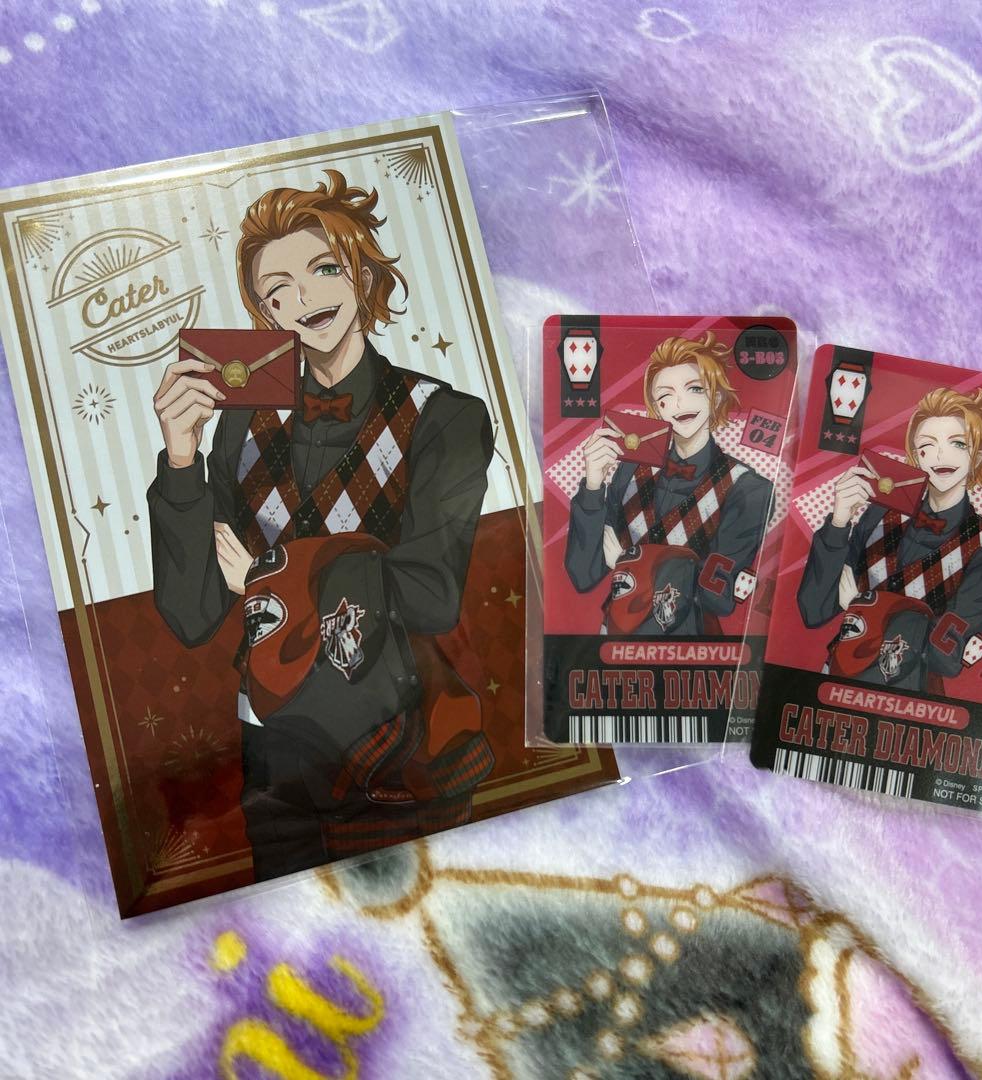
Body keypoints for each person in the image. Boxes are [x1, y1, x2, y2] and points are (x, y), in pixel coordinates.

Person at [147, 170, 495, 880]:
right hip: (273, 748)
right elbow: (193, 614)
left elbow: (429, 592)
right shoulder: (238, 427)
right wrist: (181, 460)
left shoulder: (445, 418)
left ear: (362, 274)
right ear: (264, 313)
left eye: (323, 269)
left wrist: (267, 577)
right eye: (278, 290)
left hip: (399, 737)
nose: (303, 299)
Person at [798, 387, 982, 691]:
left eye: (958, 443)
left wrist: (861, 605)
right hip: (836, 680)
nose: (941, 455)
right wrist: (838, 523)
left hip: (911, 699)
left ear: (978, 454)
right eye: (927, 445)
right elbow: (814, 610)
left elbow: (942, 654)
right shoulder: (879, 514)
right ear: (915, 456)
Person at [564, 331, 772, 636]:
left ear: (715, 397)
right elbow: (583, 575)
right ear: (657, 408)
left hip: (692, 643)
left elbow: (716, 594)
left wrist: (626, 561)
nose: (679, 403)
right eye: (665, 396)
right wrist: (593, 487)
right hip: (617, 636)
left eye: (695, 389)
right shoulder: (630, 471)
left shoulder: (749, 488)